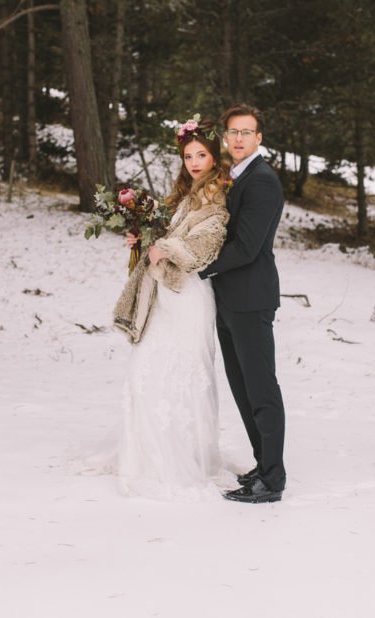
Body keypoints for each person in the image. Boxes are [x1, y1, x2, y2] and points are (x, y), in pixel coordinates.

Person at [109, 117, 231, 500]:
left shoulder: (219, 194)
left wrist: (168, 249)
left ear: (214, 156)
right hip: (165, 296)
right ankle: (145, 458)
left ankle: (184, 459)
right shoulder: (182, 194)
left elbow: (207, 244)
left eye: (202, 154)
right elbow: (164, 236)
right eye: (188, 156)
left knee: (184, 375)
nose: (194, 162)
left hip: (190, 296)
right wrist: (143, 238)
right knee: (145, 371)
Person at [199, 104, 286, 504]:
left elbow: (248, 247)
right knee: (242, 388)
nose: (237, 139)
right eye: (232, 132)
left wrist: (197, 266)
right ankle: (262, 464)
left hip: (250, 299)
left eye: (245, 133)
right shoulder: (232, 176)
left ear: (258, 139)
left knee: (261, 388)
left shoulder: (262, 181)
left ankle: (273, 478)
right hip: (229, 299)